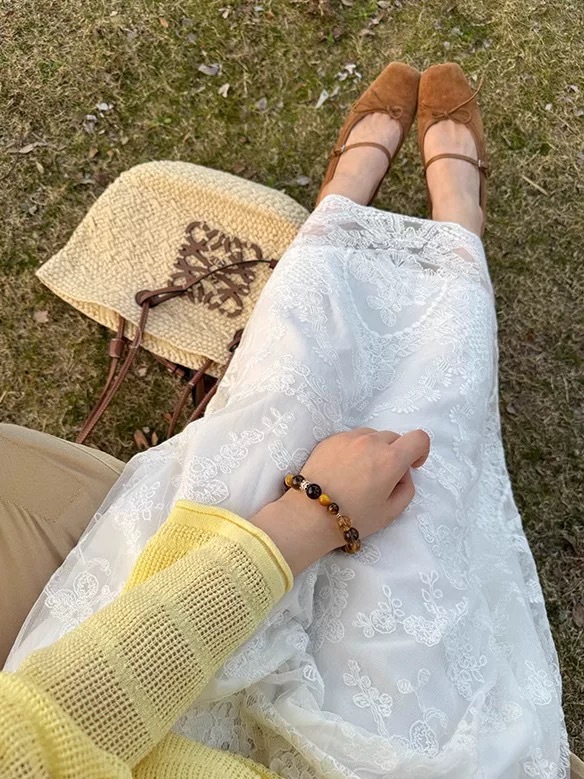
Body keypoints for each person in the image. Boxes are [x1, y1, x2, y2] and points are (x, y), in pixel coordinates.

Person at [1, 62, 579, 777]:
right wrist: (322, 513)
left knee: (275, 412)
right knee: (427, 474)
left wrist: (310, 514)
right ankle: (458, 226)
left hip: (94, 704)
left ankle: (341, 212)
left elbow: (48, 725)